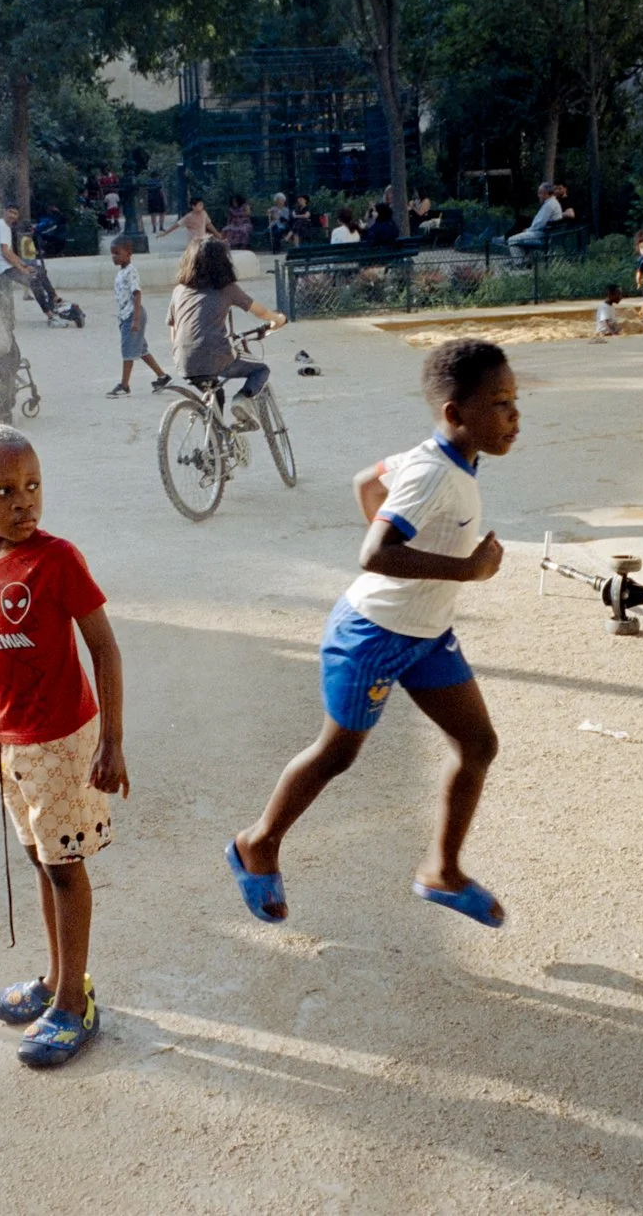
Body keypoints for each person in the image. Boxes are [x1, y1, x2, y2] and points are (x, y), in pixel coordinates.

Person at [226, 338, 519, 930]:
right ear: (456, 415)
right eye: (500, 404)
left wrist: (429, 571)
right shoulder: (435, 474)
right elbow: (375, 551)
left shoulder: (440, 456)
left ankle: (442, 870)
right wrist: (467, 570)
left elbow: (366, 482)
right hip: (373, 635)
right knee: (337, 753)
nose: (514, 417)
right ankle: (257, 844)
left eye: (515, 401)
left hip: (426, 634)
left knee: (478, 745)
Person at [0, 424, 129, 1068]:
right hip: (9, 745)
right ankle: (55, 979)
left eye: (33, 485)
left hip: (60, 744)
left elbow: (104, 648)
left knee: (64, 868)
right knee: (39, 859)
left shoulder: (57, 560)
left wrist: (110, 740)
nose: (24, 501)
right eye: (3, 491)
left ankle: (75, 1004)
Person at [166, 237, 287, 430]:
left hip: (183, 361)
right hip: (216, 355)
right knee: (260, 370)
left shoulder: (179, 290)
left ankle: (215, 450)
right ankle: (242, 399)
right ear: (223, 262)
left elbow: (173, 329)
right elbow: (261, 312)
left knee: (217, 395)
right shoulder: (227, 289)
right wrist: (278, 319)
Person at [0, 204, 79, 326]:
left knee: (40, 270)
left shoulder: (4, 226)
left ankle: (55, 299)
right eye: (10, 212)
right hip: (2, 268)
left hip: (7, 265)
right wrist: (22, 269)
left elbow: (10, 252)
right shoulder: (2, 226)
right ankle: (51, 316)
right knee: (34, 281)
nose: (12, 215)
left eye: (15, 213)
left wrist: (24, 265)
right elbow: (5, 253)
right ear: (5, 212)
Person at [106, 236, 170, 398]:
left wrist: (135, 319)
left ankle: (124, 385)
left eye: (118, 253)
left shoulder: (131, 271)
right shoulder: (122, 272)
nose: (114, 257)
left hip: (133, 316)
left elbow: (137, 293)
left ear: (128, 253)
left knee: (128, 351)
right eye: (112, 254)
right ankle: (162, 376)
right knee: (141, 349)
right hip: (126, 316)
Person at [507, 182, 565, 258]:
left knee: (511, 240)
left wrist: (528, 230)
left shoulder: (549, 205)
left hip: (543, 235)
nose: (538, 195)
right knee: (519, 239)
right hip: (547, 234)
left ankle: (520, 264)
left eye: (540, 193)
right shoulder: (551, 203)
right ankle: (526, 262)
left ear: (546, 194)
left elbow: (540, 224)